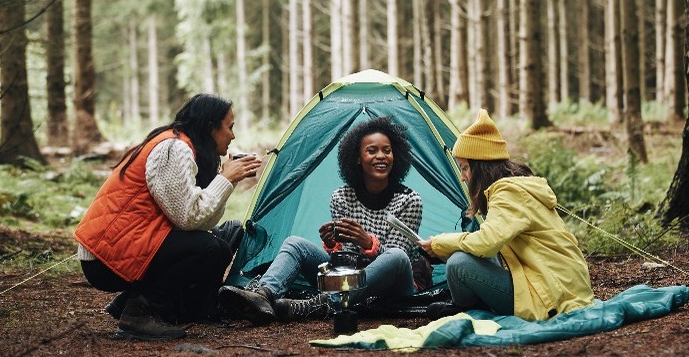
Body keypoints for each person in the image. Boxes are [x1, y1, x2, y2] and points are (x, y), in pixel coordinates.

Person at [74, 93, 262, 340]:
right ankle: (138, 313)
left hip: (127, 245)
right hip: (105, 257)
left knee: (221, 240)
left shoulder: (184, 146)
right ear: (210, 127)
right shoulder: (174, 148)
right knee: (209, 248)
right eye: (230, 127)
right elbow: (188, 218)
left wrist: (228, 182)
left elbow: (204, 222)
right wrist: (225, 179)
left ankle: (150, 304)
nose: (233, 135)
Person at [218, 116, 429, 325]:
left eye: (387, 150)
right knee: (295, 244)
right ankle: (264, 294)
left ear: (396, 155)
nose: (381, 156)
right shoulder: (342, 197)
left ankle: (326, 303)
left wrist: (367, 243)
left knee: (397, 257)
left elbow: (395, 263)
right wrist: (332, 245)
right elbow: (346, 262)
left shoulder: (409, 200)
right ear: (357, 157)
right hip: (352, 279)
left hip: (395, 286)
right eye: (372, 151)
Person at [419, 109, 594, 321]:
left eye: (465, 168)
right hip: (554, 282)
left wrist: (440, 243)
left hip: (551, 292)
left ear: (481, 166)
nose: (463, 178)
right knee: (463, 254)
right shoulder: (514, 188)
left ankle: (467, 311)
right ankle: (469, 307)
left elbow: (486, 243)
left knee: (458, 264)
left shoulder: (508, 193)